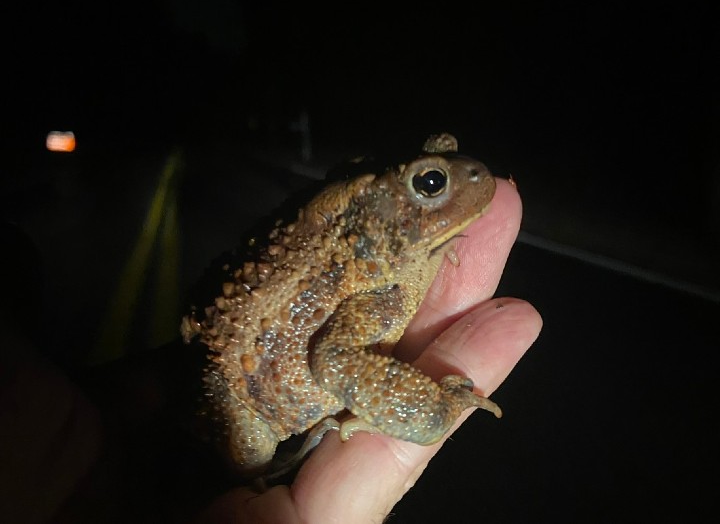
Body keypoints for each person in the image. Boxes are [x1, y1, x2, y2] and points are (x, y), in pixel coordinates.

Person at [0, 179, 541, 523]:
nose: (463, 181)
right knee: (250, 452)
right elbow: (334, 361)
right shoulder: (362, 278)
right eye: (429, 183)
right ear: (379, 215)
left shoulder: (380, 260)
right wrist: (431, 411)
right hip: (242, 399)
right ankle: (272, 460)